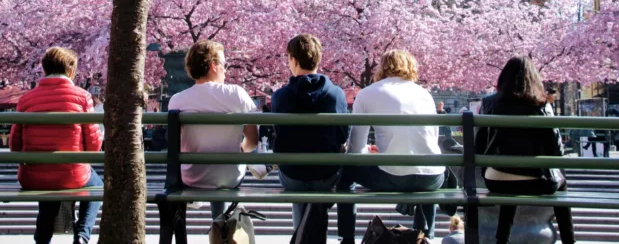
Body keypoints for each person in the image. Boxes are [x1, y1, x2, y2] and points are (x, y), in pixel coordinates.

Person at [337, 50, 445, 243]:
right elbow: (430, 141)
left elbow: (355, 149)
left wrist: (369, 153)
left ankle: (347, 237)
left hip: (394, 176)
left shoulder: (368, 93)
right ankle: (427, 236)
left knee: (347, 169)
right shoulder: (424, 94)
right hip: (432, 177)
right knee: (426, 170)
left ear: (382, 67)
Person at [475, 56, 576, 244]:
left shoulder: (489, 102)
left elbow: (479, 145)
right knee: (562, 183)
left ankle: (502, 239)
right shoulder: (541, 104)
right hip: (535, 180)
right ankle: (569, 241)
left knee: (509, 180)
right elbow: (556, 150)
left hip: (496, 180)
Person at [10, 47, 103, 244]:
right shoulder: (82, 97)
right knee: (96, 184)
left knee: (47, 182)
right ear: (71, 71)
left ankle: (42, 238)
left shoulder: (26, 98)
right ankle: (83, 236)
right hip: (72, 175)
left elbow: (14, 145)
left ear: (44, 69)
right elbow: (94, 147)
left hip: (34, 177)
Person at [168, 40, 260, 221]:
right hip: (229, 178)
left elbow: (177, 144)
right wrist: (240, 150)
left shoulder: (177, 100)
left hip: (192, 176)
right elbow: (253, 141)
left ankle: (218, 222)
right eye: (223, 65)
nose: (225, 70)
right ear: (213, 65)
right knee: (223, 173)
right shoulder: (236, 94)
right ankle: (221, 225)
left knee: (211, 171)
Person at [271, 34, 349, 229]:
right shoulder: (336, 94)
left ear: (294, 60)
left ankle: (301, 234)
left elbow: (278, 133)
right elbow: (343, 135)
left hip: (292, 174)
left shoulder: (281, 96)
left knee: (298, 176)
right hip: (326, 174)